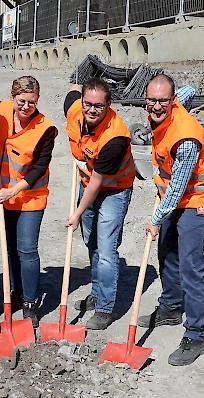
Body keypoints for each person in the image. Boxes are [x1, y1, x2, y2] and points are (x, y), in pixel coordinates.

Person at [138, 74, 204, 366]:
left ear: (171, 102)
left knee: (190, 267)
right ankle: (171, 307)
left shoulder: (185, 140)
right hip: (177, 196)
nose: (156, 107)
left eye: (163, 101)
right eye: (152, 100)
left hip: (197, 199)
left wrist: (156, 220)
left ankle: (196, 335)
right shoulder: (175, 103)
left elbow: (175, 193)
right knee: (166, 253)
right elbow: (190, 88)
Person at [64, 78, 136, 330]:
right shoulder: (75, 110)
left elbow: (96, 184)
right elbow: (71, 92)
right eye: (87, 104)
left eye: (98, 106)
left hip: (115, 189)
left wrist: (77, 213)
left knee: (106, 249)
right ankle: (97, 291)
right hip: (89, 183)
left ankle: (105, 308)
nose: (92, 110)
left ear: (109, 105)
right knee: (91, 242)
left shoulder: (115, 137)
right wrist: (75, 86)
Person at [0, 76, 58, 328]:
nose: (26, 106)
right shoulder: (0, 112)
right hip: (0, 197)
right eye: (21, 101)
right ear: (12, 97)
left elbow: (39, 167)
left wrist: (13, 191)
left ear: (38, 100)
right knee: (9, 248)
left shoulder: (46, 129)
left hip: (30, 198)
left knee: (27, 249)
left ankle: (30, 302)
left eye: (31, 102)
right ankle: (15, 293)